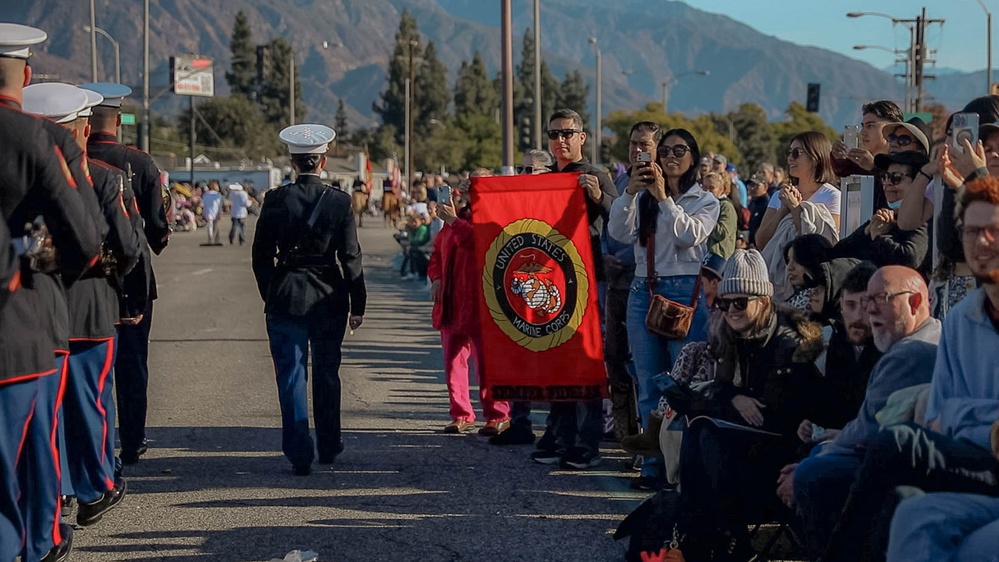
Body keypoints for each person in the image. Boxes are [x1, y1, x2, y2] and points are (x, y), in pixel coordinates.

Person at [821, 176, 999, 562]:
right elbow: (939, 413)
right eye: (971, 231)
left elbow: (948, 415)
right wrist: (979, 420)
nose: (981, 242)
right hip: (969, 455)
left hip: (983, 459)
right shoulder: (961, 321)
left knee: (896, 443)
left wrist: (964, 416)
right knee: (908, 509)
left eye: (992, 231)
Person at [0, 23, 105, 562]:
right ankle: (39, 544)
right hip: (22, 321)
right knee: (29, 454)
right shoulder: (38, 140)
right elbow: (87, 240)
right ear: (26, 73)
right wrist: (33, 256)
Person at [23, 82, 140, 534]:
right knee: (89, 401)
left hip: (36, 308)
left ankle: (60, 491)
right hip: (90, 306)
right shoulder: (104, 176)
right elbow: (128, 245)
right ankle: (92, 488)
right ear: (83, 129)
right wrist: (106, 272)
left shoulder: (23, 174)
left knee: (45, 411)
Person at [676, 249, 825, 559]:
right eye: (724, 302)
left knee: (706, 434)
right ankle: (701, 532)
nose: (731, 310)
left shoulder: (789, 344)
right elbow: (723, 391)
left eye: (740, 302)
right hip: (745, 445)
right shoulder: (729, 335)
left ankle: (723, 537)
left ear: (764, 302)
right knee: (698, 429)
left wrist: (725, 400)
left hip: (783, 452)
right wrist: (731, 397)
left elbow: (773, 414)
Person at [608, 127, 720, 489]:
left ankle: (680, 468)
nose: (671, 157)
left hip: (685, 291)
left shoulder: (706, 200)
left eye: (680, 150)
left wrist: (666, 199)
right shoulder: (641, 198)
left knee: (681, 384)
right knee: (648, 383)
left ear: (693, 158)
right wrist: (630, 192)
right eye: (666, 150)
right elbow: (619, 234)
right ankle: (652, 465)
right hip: (644, 289)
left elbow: (689, 236)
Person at [251, 124, 366, 476]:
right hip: (329, 296)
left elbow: (260, 256)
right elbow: (350, 257)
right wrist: (357, 305)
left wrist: (271, 291)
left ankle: (300, 451)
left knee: (291, 375)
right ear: (323, 160)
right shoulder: (340, 202)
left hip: (286, 293)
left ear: (292, 161)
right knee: (328, 373)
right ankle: (329, 444)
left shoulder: (275, 200)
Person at [81, 81, 171, 466]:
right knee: (132, 365)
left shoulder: (72, 158)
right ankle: (131, 442)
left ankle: (95, 446)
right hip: (133, 281)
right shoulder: (141, 162)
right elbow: (157, 234)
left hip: (85, 279)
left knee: (89, 368)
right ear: (119, 120)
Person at [531, 108, 618, 470]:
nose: (560, 140)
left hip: (587, 280)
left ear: (582, 137)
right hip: (552, 282)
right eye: (553, 134)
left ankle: (588, 440)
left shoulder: (596, 175)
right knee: (557, 361)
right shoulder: (545, 178)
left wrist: (599, 196)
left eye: (567, 133)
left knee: (585, 362)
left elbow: (621, 219)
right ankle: (560, 432)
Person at [428, 173, 511, 435]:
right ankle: (461, 413)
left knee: (487, 363)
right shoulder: (458, 216)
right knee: (453, 361)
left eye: (476, 183)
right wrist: (437, 278)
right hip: (452, 299)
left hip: (481, 302)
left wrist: (452, 219)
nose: (469, 186)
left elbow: (481, 244)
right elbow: (439, 249)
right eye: (468, 181)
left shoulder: (494, 215)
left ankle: (498, 414)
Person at [832, 151, 930, 272]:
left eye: (896, 177)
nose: (887, 183)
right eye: (885, 176)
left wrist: (880, 236)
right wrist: (866, 233)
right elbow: (837, 253)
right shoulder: (884, 217)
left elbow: (909, 259)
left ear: (918, 183)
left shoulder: (921, 217)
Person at [831, 100, 905, 210]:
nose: (863, 132)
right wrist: (837, 157)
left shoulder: (904, 163)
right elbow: (842, 170)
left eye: (870, 126)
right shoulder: (863, 161)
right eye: (862, 126)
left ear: (890, 129)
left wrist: (874, 168)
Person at [701, 171, 737, 258]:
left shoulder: (726, 206)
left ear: (721, 189)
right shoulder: (703, 204)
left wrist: (705, 220)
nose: (707, 191)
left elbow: (722, 232)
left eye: (712, 188)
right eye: (705, 187)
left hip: (719, 258)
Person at [202, 181, 223, 245]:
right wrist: (220, 213)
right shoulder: (218, 195)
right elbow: (219, 205)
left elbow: (203, 204)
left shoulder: (205, 195)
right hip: (216, 212)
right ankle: (216, 239)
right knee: (216, 226)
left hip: (208, 212)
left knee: (210, 227)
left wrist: (204, 213)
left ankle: (210, 239)